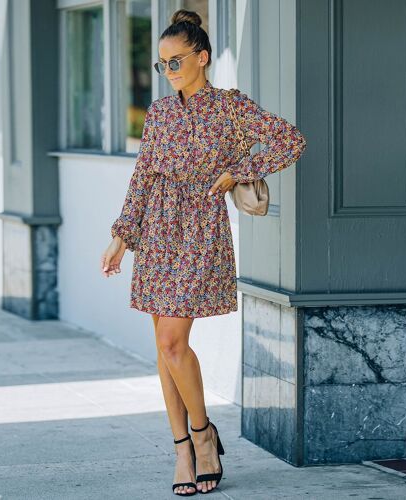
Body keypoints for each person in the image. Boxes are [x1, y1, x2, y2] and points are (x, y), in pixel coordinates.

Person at [100, 8, 307, 496]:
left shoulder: (231, 107)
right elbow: (144, 177)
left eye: (176, 61)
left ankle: (203, 435)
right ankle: (182, 451)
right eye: (162, 65)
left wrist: (238, 169)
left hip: (199, 230)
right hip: (156, 233)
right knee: (164, 348)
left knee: (174, 342)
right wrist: (121, 236)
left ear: (202, 57)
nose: (169, 71)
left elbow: (290, 140)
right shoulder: (159, 113)